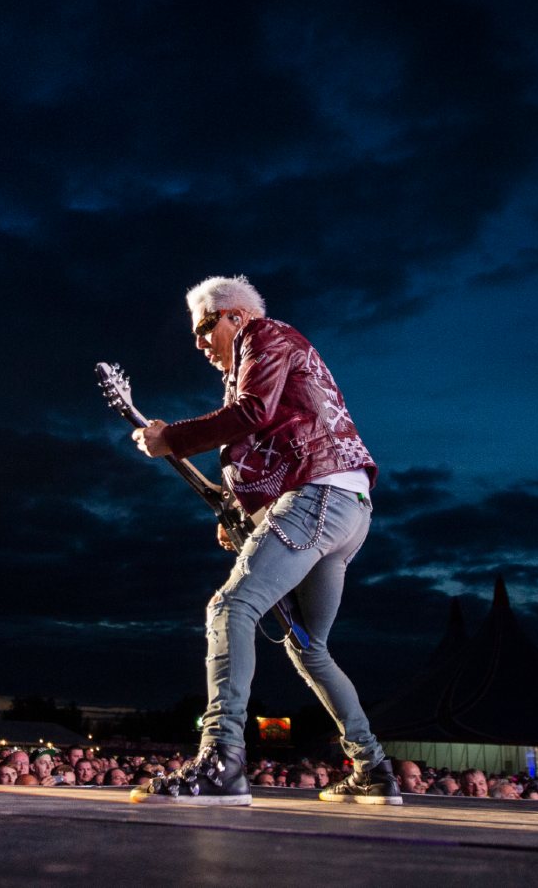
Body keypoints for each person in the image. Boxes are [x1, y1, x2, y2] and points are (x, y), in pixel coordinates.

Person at [130, 275, 396, 807]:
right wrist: (245, 518)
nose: (201, 343)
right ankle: (372, 768)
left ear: (236, 316)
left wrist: (172, 438)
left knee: (231, 607)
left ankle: (222, 762)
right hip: (345, 511)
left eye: (206, 328)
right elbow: (267, 444)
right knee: (310, 648)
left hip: (317, 500)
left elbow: (253, 414)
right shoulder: (261, 364)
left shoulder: (264, 335)